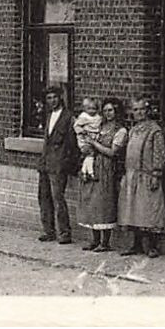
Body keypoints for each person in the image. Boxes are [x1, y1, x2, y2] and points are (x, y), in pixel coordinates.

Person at [118, 96, 165, 257]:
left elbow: (159, 153)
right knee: (133, 210)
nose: (138, 113)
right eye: (135, 109)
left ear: (147, 111)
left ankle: (151, 245)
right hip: (132, 175)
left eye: (141, 109)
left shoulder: (154, 130)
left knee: (147, 210)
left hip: (147, 175)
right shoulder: (133, 129)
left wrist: (156, 173)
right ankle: (136, 244)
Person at [76, 97, 127, 251]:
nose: (107, 113)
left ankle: (105, 242)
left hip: (107, 168)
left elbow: (112, 152)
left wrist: (94, 144)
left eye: (110, 110)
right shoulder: (99, 125)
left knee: (104, 203)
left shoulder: (120, 130)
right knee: (91, 202)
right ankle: (95, 239)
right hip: (94, 164)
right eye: (105, 110)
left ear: (117, 111)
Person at [36, 84, 80, 244]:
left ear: (60, 97)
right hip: (45, 163)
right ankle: (48, 230)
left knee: (58, 198)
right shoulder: (48, 116)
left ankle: (64, 233)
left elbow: (71, 144)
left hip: (59, 164)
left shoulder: (68, 117)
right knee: (43, 197)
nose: (52, 100)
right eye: (49, 98)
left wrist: (66, 164)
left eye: (55, 97)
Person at [73, 97, 104, 181]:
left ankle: (84, 172)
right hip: (84, 139)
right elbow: (76, 126)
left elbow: (99, 127)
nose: (91, 111)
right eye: (89, 109)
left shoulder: (98, 118)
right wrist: (81, 131)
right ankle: (91, 173)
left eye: (94, 109)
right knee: (90, 154)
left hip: (93, 139)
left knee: (89, 156)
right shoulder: (84, 117)